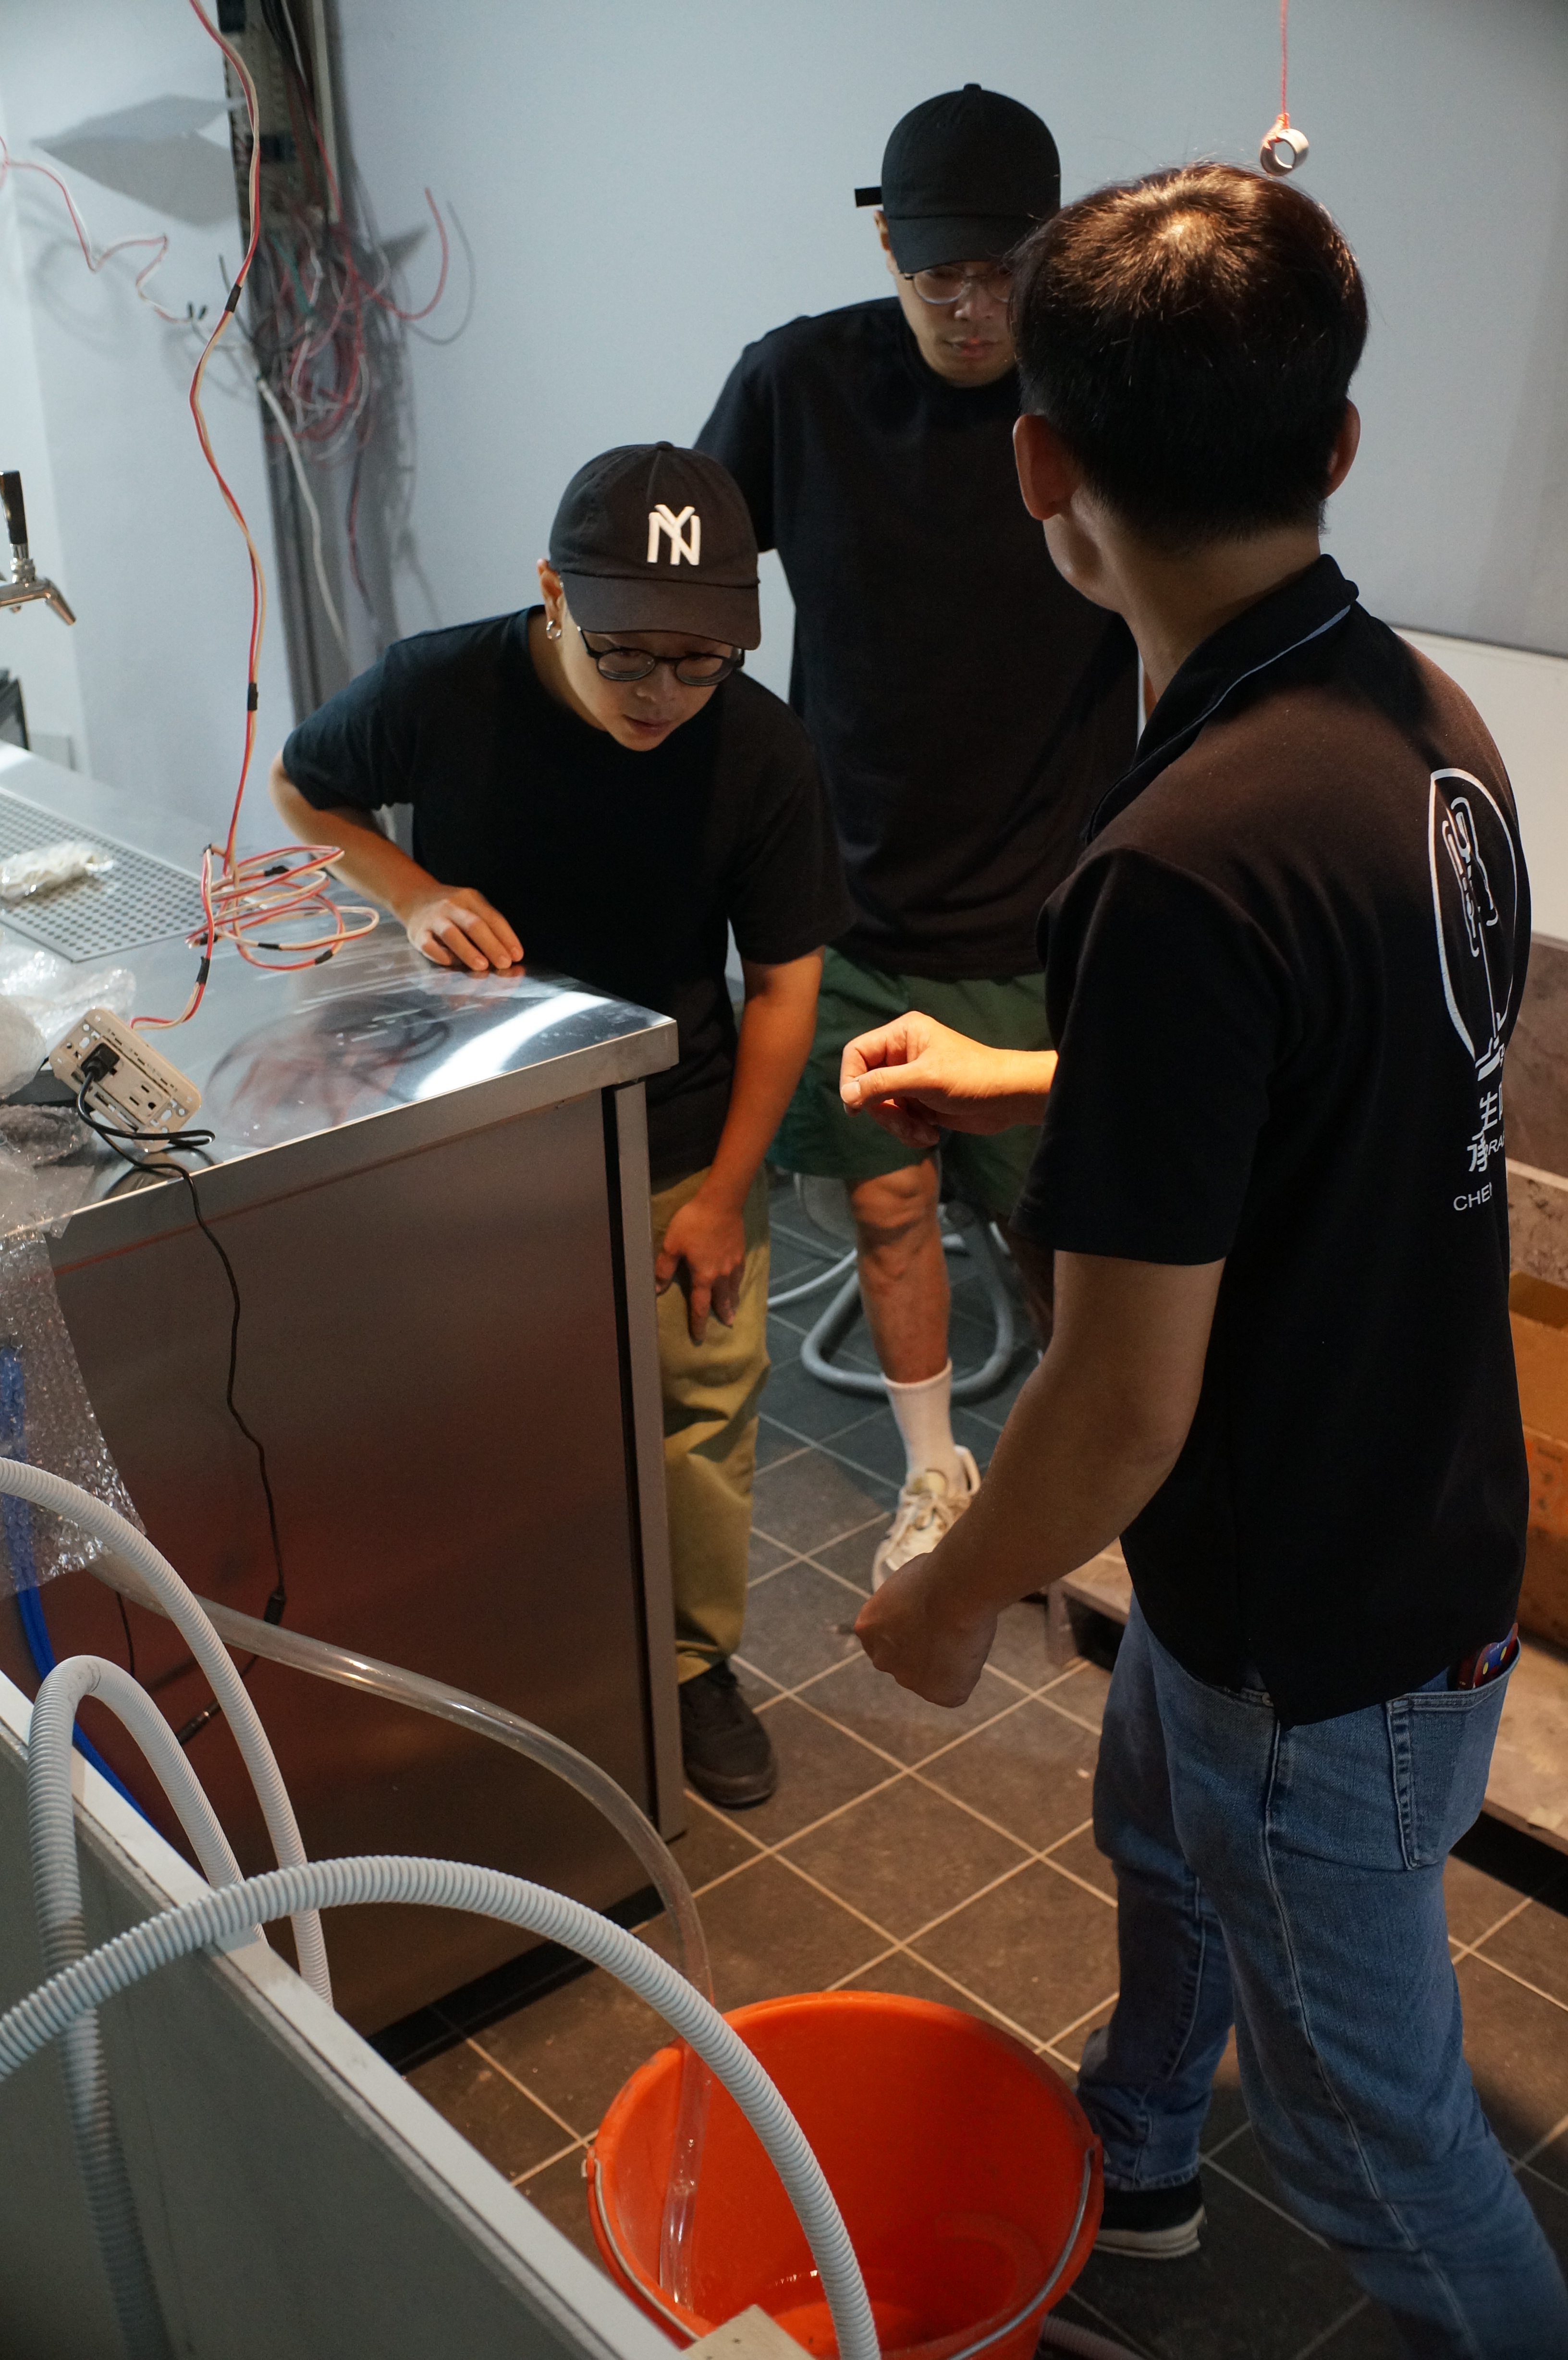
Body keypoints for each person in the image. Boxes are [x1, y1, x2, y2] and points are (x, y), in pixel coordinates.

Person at [842, 164, 1568, 2355]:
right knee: (1158, 1847)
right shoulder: (1417, 726)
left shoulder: (1178, 863)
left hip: (1307, 1615)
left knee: (1372, 2146)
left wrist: (948, 1594)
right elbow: (1324, 1069)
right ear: (1336, 444)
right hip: (1407, 1515)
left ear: (1041, 469)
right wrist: (1032, 1074)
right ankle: (1141, 2161)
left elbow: (1121, 1408)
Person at [269, 442, 852, 1809]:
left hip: (676, 1130)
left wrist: (727, 1193)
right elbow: (307, 785)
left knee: (698, 1402)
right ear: (551, 594)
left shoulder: (758, 747)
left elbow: (785, 987)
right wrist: (412, 889)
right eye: (625, 654)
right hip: (475, 1128)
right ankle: (504, 1648)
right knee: (487, 1396)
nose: (660, 694)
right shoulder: (441, 686)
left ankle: (695, 1665)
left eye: (697, 662)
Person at [698, 83, 1137, 1587]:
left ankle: (1103, 1483)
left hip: (1048, 901)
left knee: (1069, 1235)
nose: (970, 309)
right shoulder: (800, 383)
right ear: (888, 244)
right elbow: (695, 581)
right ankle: (935, 1475)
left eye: (1003, 276)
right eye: (938, 274)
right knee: (887, 1210)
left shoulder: (1107, 391)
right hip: (858, 895)